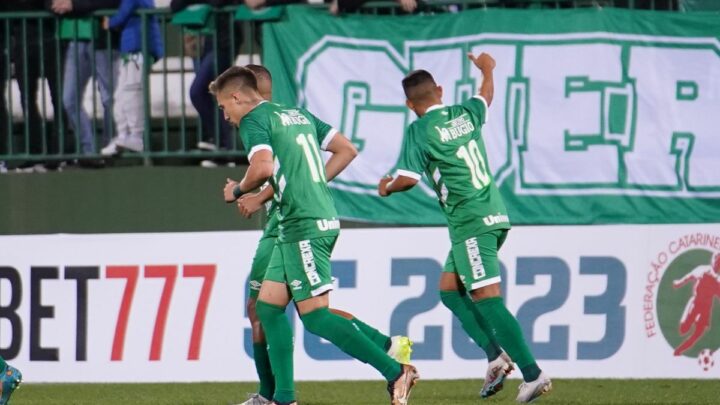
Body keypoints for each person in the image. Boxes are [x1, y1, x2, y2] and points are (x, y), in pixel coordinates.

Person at [210, 66, 418, 405]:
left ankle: (395, 370)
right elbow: (346, 149)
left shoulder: (254, 121)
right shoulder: (295, 113)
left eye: (223, 107)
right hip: (305, 218)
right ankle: (282, 398)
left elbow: (261, 168)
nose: (225, 115)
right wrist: (310, 184)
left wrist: (236, 191)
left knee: (317, 317)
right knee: (268, 309)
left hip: (303, 223)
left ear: (236, 97)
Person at [377, 53, 552, 403]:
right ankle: (495, 357)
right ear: (440, 90)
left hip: (470, 220)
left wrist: (386, 185)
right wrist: (488, 67)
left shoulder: (419, 129)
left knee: (486, 298)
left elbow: (408, 179)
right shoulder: (464, 112)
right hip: (493, 213)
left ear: (410, 104)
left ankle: (533, 374)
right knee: (448, 290)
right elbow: (485, 95)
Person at [51, 0, 121, 159]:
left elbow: (113, 3)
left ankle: (109, 148)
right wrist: (58, 5)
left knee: (110, 98)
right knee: (69, 99)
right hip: (76, 39)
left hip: (105, 39)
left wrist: (74, 6)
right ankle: (88, 151)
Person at [100, 0, 164, 155]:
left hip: (138, 48)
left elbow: (127, 7)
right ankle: (122, 136)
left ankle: (136, 136)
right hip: (130, 49)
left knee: (132, 92)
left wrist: (112, 21)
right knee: (120, 95)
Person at [673, 252, 720, 356]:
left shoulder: (718, 281)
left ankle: (679, 350)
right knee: (683, 329)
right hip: (695, 303)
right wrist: (679, 282)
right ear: (713, 260)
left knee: (697, 334)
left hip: (705, 309)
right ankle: (691, 320)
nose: (717, 264)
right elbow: (690, 276)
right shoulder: (703, 270)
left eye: (719, 262)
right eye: (717, 260)